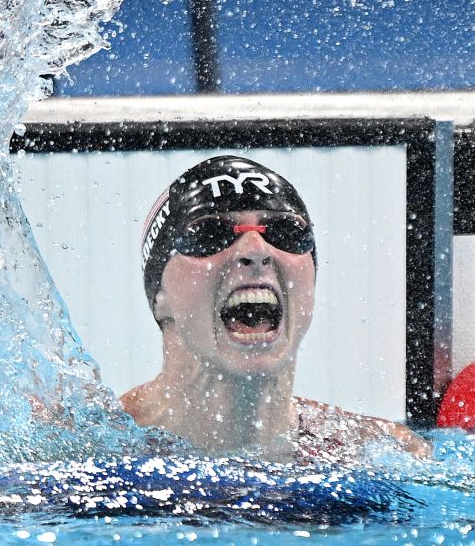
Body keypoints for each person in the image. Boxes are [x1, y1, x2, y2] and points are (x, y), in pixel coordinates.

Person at [120, 155, 431, 463]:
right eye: (210, 234)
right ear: (159, 294)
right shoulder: (102, 447)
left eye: (286, 232)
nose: (256, 250)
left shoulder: (384, 452)